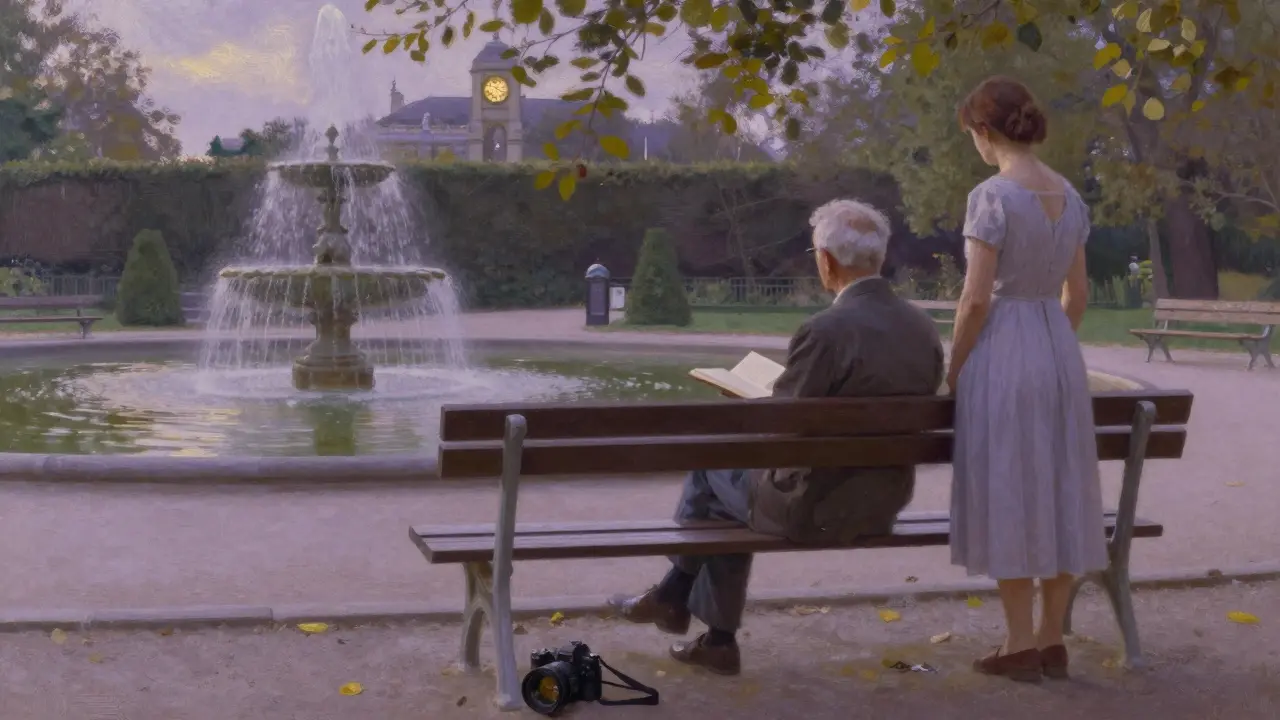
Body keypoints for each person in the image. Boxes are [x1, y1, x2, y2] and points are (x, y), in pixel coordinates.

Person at [609, 199, 945, 676]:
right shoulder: (922, 328)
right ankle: (693, 616)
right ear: (879, 258)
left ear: (827, 260)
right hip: (882, 501)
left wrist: (747, 399)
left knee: (711, 471)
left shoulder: (825, 330)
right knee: (726, 486)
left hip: (814, 509)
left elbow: (778, 431)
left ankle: (683, 600)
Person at [947, 76, 1107, 683]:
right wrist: (1053, 343)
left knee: (1012, 488)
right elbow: (1080, 294)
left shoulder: (991, 197)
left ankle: (1017, 642)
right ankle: (1050, 638)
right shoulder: (1069, 195)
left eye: (972, 136)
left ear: (984, 132)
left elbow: (975, 300)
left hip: (1005, 353)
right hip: (1058, 352)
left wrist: (956, 365)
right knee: (1061, 486)